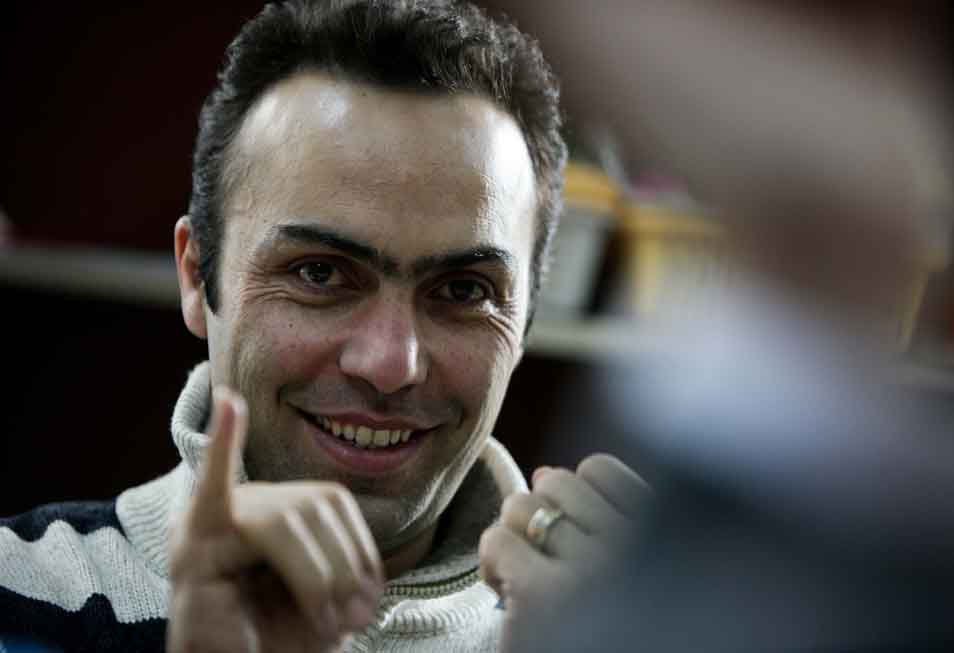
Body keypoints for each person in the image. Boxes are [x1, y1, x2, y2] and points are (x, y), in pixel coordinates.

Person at [0, 1, 648, 651]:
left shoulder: (614, 626)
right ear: (198, 277)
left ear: (527, 319)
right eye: (319, 273)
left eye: (462, 289)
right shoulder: (22, 592)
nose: (390, 363)